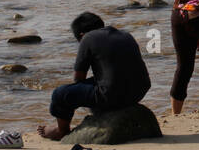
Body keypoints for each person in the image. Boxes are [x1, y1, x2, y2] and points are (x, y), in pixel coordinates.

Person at [38, 12, 151, 140]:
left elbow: (78, 79)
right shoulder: (126, 35)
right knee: (107, 81)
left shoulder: (88, 38)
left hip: (113, 95)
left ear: (81, 35)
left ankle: (61, 131)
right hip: (139, 91)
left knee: (60, 94)